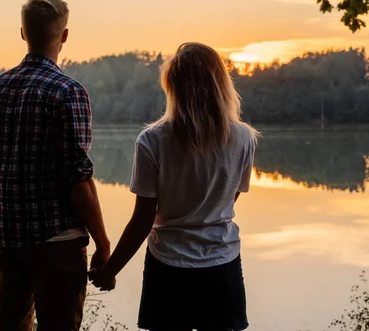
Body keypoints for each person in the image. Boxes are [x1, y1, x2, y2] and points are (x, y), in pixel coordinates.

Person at [0, 0, 110, 331]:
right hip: (58, 245)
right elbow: (78, 178)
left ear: (22, 33)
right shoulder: (67, 91)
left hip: (10, 244)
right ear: (63, 36)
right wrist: (103, 242)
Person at [92, 42, 258, 330]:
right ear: (221, 84)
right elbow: (229, 199)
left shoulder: (152, 140)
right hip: (222, 263)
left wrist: (110, 271)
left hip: (168, 266)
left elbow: (143, 220)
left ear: (173, 87)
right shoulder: (243, 138)